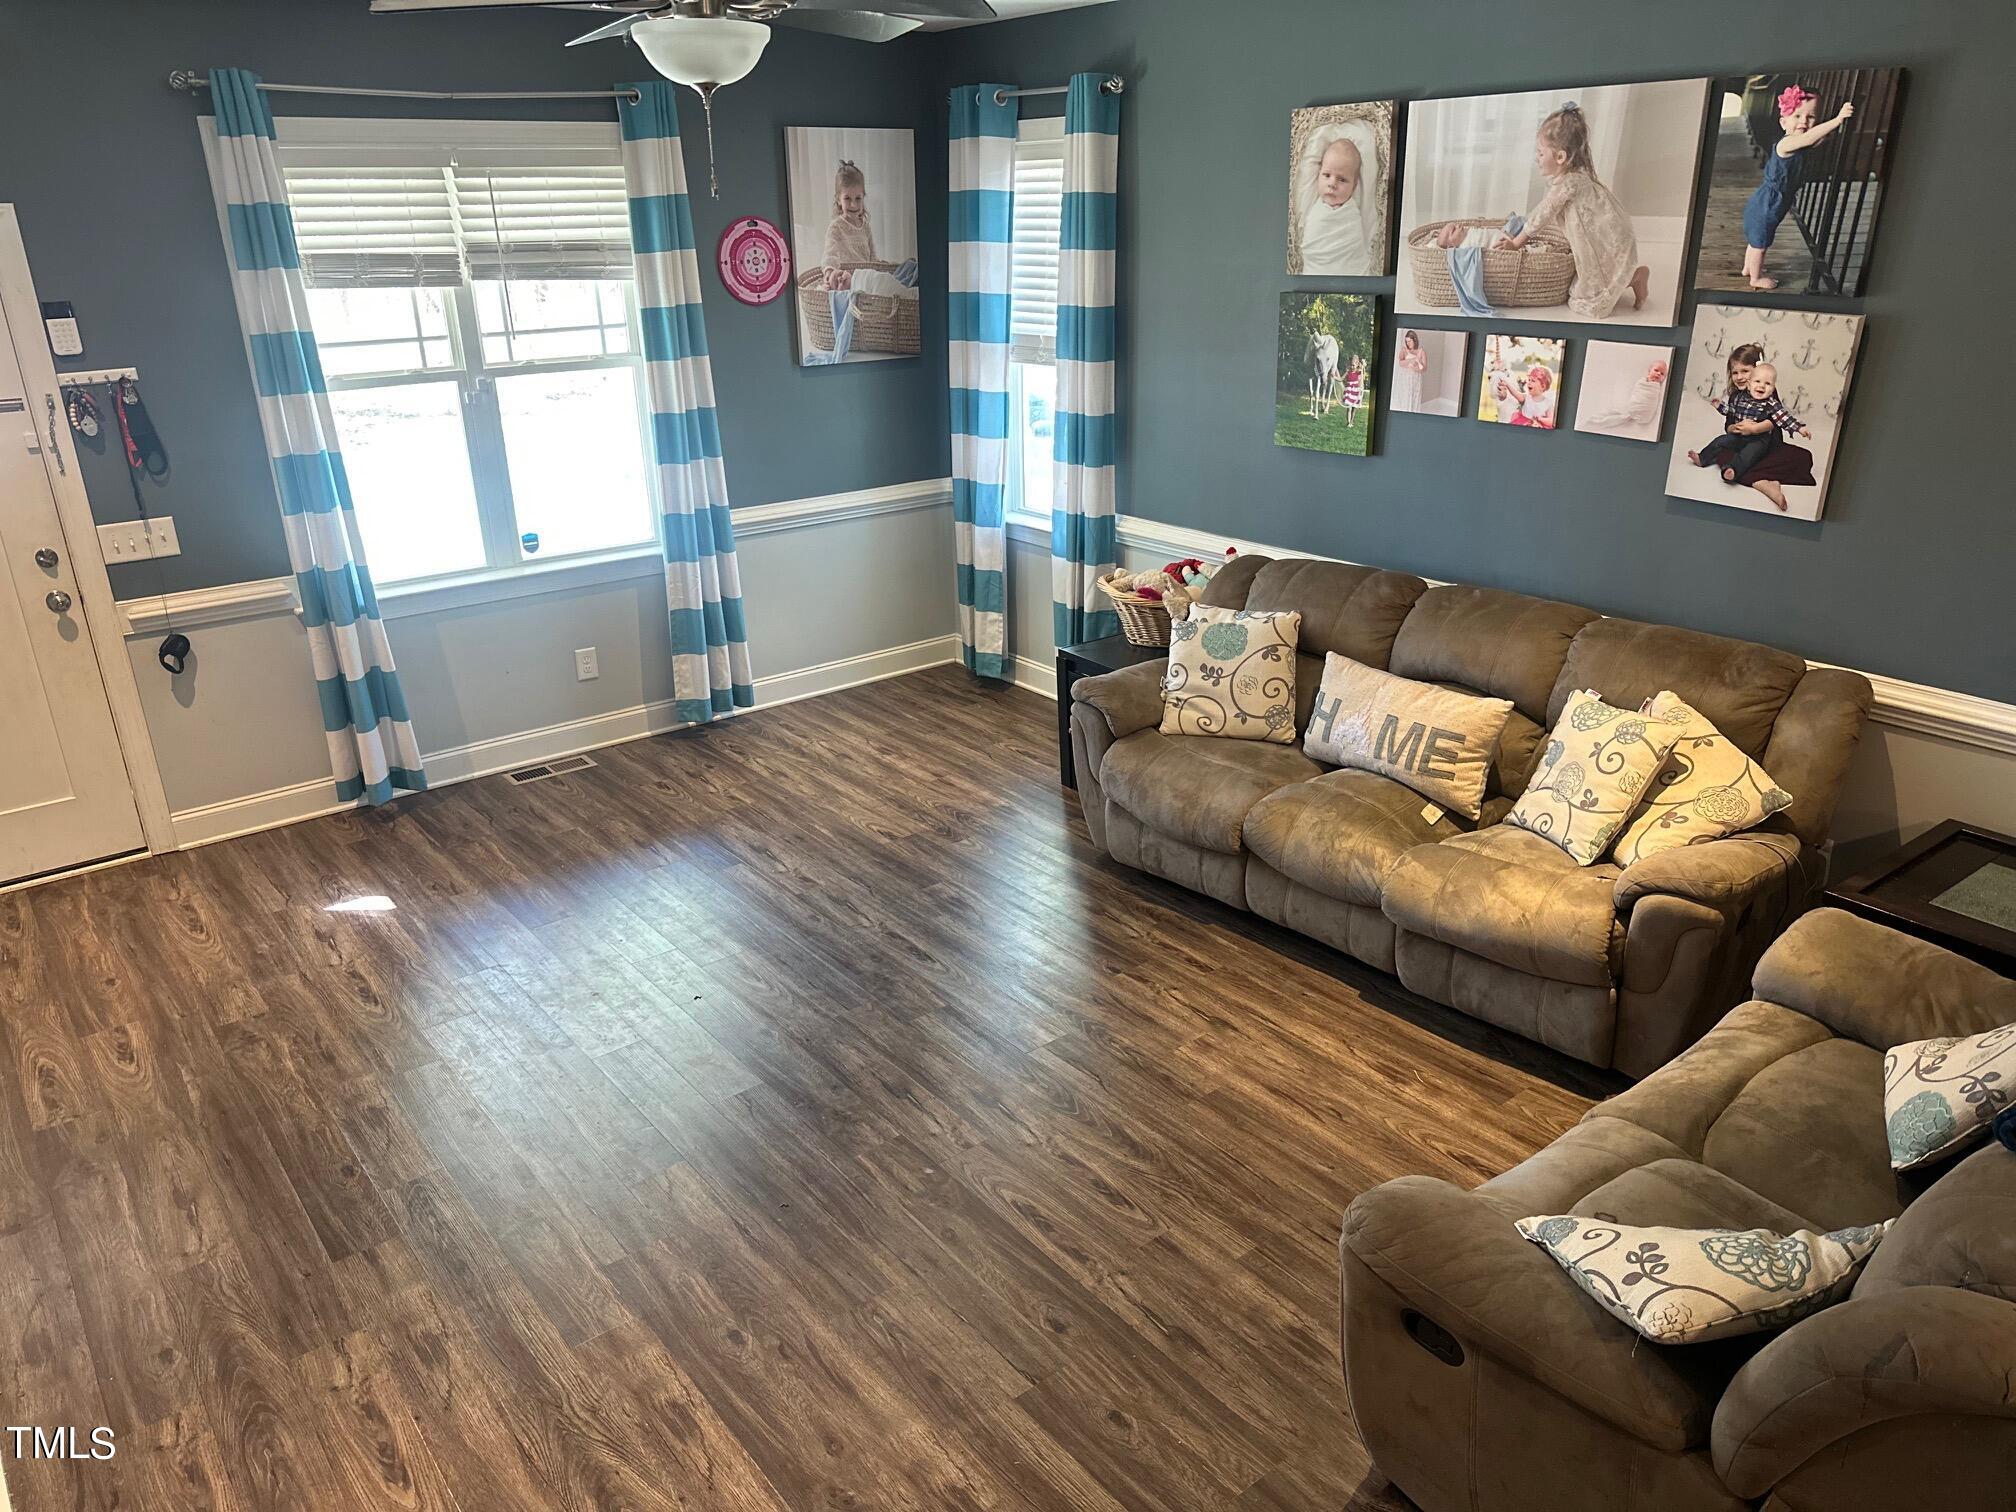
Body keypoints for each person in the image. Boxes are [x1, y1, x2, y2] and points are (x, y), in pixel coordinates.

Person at [1495, 102, 1650, 318]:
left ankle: (1635, 277)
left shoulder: (1568, 183)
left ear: (1560, 157)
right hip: (1606, 233)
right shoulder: (1573, 176)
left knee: (1584, 303)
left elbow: (1543, 214)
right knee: (1596, 279)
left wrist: (1516, 242)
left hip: (1609, 237)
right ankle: (1633, 276)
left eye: (1540, 153)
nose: (1536, 158)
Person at [1743, 85, 1855, 290]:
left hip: (1773, 200)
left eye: (1811, 116)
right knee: (1761, 243)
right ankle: (1755, 278)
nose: (1804, 121)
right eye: (1797, 116)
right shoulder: (1785, 144)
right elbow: (1808, 139)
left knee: (1757, 238)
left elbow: (1814, 141)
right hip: (1768, 201)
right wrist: (1836, 119)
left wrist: (1833, 130)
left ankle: (1748, 268)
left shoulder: (1799, 143)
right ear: (1783, 122)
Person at [1689, 360, 1811, 507]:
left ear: (1773, 388)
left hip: (1760, 441)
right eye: (1757, 381)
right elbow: (1731, 412)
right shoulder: (1739, 397)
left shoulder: (1771, 403)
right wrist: (1720, 407)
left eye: (1767, 384)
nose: (1761, 386)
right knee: (1721, 441)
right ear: (1749, 383)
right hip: (1739, 437)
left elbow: (1783, 418)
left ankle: (1733, 470)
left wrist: (1800, 428)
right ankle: (1703, 458)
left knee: (1749, 454)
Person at [1299, 135, 1374, 275]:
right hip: (1316, 268)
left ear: (1354, 185)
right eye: (1327, 175)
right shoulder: (1313, 205)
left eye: (1342, 179)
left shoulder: (1352, 212)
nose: (1332, 184)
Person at [822, 159, 876, 283]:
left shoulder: (865, 227)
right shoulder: (836, 227)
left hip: (865, 280)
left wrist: (878, 268)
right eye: (847, 198)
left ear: (863, 197)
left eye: (858, 198)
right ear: (839, 200)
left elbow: (872, 256)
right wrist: (830, 273)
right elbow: (830, 254)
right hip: (845, 282)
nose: (853, 204)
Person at [1581, 356, 1668, 432]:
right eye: (1656, 370)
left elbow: (1651, 397)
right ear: (1649, 371)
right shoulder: (1642, 382)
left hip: (1645, 413)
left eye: (1662, 374)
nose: (1658, 374)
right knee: (1612, 413)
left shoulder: (1656, 387)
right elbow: (1638, 392)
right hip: (1633, 407)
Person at [1393, 330, 1427, 412]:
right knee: (1405, 397)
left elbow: (1424, 369)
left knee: (1414, 397)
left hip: (1416, 378)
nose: (1407, 343)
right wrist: (1412, 360)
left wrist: (1415, 368)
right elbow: (1400, 363)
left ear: (1414, 340)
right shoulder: (1404, 350)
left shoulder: (1421, 352)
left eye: (1409, 341)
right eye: (1406, 341)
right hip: (1406, 379)